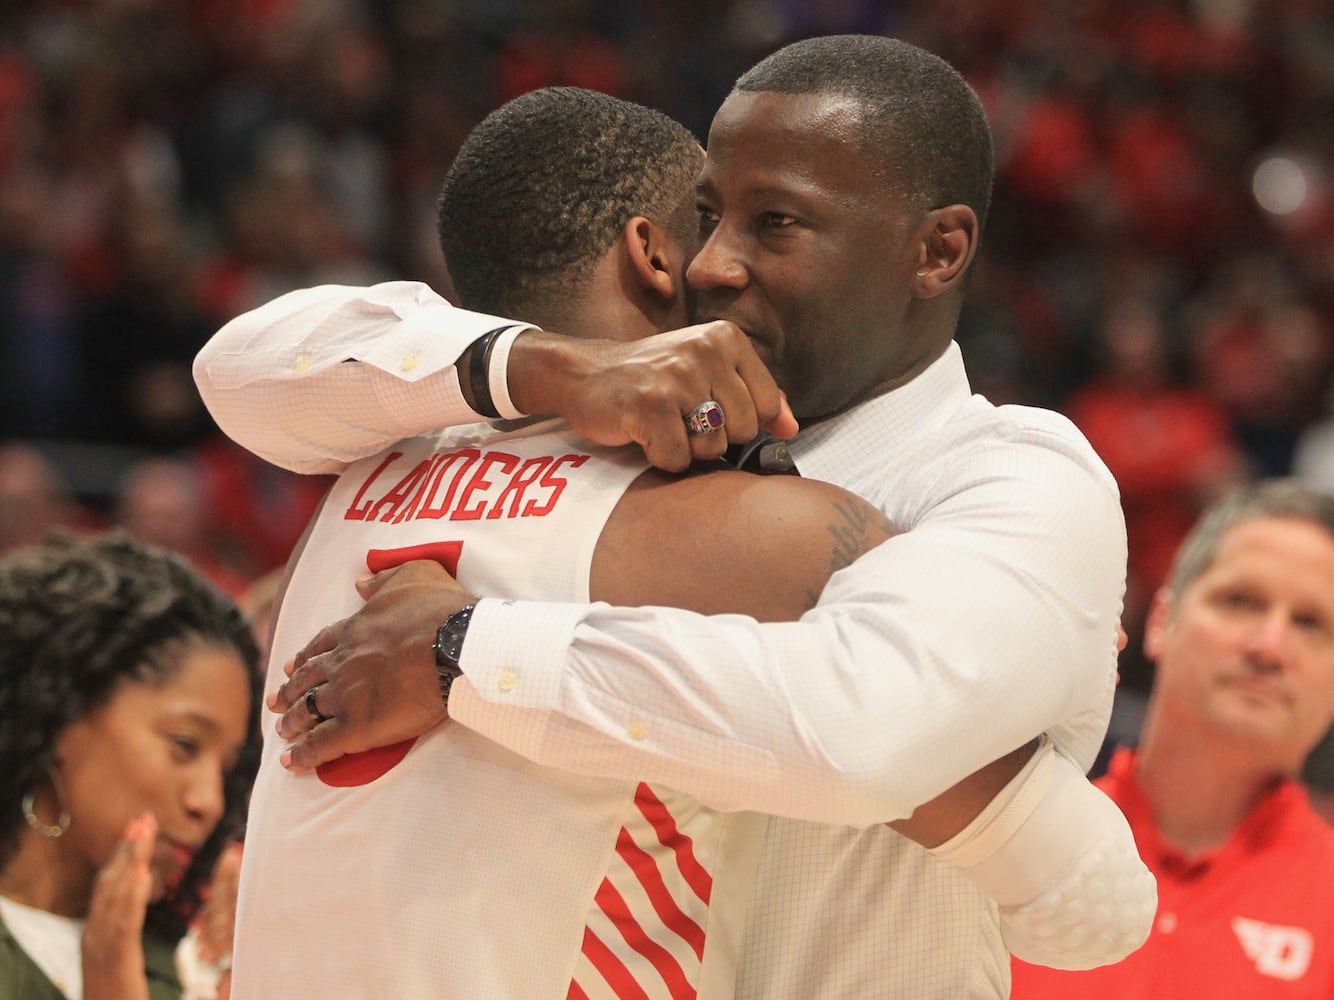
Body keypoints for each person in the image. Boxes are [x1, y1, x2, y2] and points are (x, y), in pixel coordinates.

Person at [197, 36, 1152, 997]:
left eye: (775, 224)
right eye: (708, 218)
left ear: (937, 250)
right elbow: (237, 372)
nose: (717, 265)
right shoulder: (603, 438)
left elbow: (872, 744)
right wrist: (555, 365)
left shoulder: (1016, 475)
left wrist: (460, 653)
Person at [1012, 479, 1334, 998]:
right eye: (1241, 601)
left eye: (1311, 623)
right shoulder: (1007, 838)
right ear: (1162, 620)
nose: (1270, 646)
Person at [0, 531, 261, 1000]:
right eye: (184, 745)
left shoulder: (204, 966)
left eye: (227, 771)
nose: (210, 802)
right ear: (64, 707)